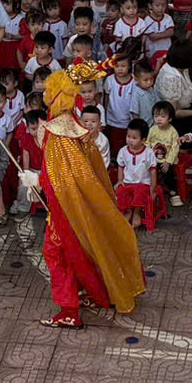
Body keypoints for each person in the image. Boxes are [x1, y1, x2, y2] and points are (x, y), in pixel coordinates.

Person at [33, 64, 145, 327]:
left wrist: (36, 181)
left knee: (57, 254)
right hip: (78, 205)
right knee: (81, 250)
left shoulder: (59, 134)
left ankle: (69, 310)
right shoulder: (72, 123)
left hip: (67, 209)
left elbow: (62, 179)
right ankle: (87, 291)